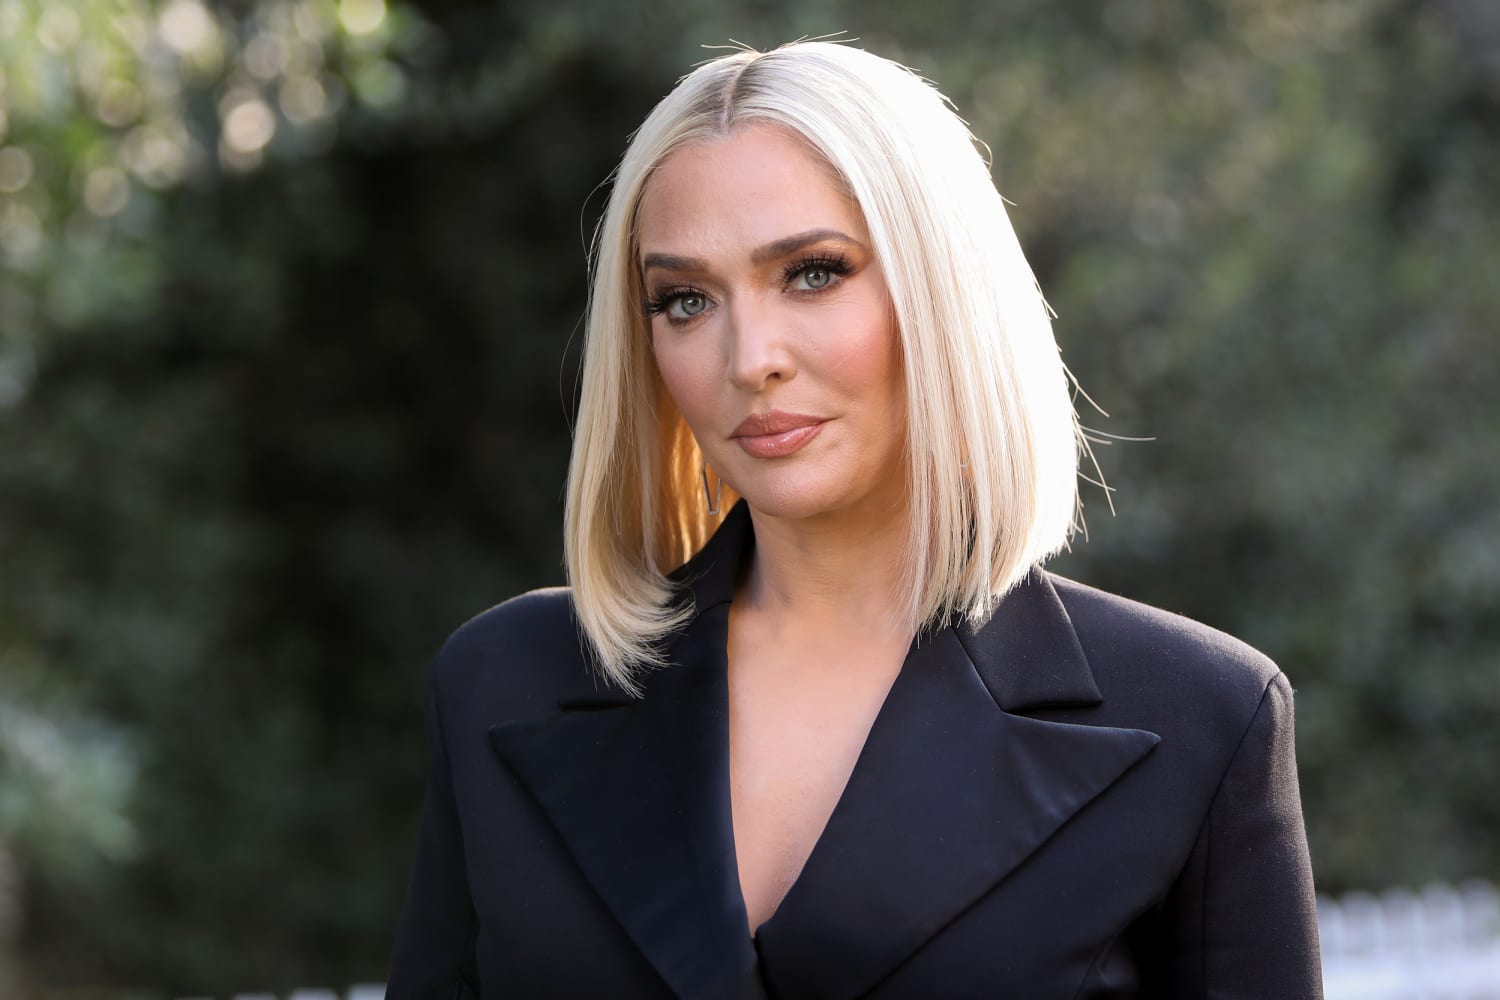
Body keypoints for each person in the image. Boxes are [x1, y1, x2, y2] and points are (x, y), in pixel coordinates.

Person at [387, 40, 1323, 999]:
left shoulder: (1200, 715)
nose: (750, 357)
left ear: (943, 291)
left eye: (812, 273)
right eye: (685, 299)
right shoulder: (504, 682)